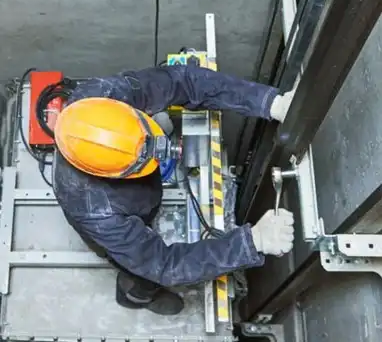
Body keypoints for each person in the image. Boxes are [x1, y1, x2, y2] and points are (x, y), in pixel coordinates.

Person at [52, 64, 295, 316]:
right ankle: (136, 297)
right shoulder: (98, 212)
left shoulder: (102, 98)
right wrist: (253, 242)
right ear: (114, 175)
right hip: (125, 211)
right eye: (142, 161)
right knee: (142, 272)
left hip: (138, 194)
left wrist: (270, 103)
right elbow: (164, 264)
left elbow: (184, 80)